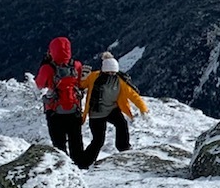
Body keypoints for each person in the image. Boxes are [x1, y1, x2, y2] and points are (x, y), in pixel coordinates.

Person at [77, 52, 148, 168]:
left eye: (113, 72)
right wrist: (81, 77)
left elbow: (133, 95)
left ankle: (123, 147)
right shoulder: (93, 77)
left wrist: (143, 109)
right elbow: (81, 85)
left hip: (111, 110)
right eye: (108, 72)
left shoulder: (119, 81)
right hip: (96, 112)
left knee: (121, 124)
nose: (110, 74)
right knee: (98, 140)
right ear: (103, 70)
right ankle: (84, 163)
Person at [36, 36, 88, 166]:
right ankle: (80, 166)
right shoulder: (76, 65)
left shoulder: (47, 68)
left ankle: (63, 168)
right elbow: (81, 84)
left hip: (54, 111)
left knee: (59, 144)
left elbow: (39, 84)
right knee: (76, 140)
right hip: (74, 108)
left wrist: (44, 65)